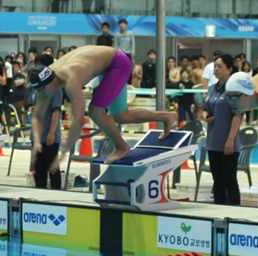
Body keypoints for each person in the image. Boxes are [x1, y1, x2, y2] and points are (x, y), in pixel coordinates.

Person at [28, 45, 165, 167]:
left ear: (52, 82)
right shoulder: (43, 81)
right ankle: (167, 117)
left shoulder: (71, 80)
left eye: (43, 90)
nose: (42, 94)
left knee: (94, 111)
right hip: (104, 65)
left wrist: (64, 152)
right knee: (122, 116)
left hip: (118, 63)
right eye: (38, 90)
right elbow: (37, 117)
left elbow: (79, 120)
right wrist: (37, 142)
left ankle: (122, 146)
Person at [201, 53, 242, 205]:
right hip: (213, 141)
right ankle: (218, 210)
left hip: (228, 142)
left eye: (220, 66)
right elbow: (206, 108)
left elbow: (237, 116)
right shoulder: (212, 88)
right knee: (217, 180)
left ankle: (235, 212)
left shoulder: (235, 90)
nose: (216, 69)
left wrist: (230, 140)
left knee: (229, 180)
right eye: (215, 66)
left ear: (230, 69)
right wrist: (206, 116)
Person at [29, 66, 64, 189]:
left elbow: (56, 111)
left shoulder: (55, 89)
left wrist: (52, 132)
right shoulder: (37, 89)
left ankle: (56, 196)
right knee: (39, 171)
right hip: (37, 135)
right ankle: (40, 196)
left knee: (52, 169)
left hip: (50, 135)